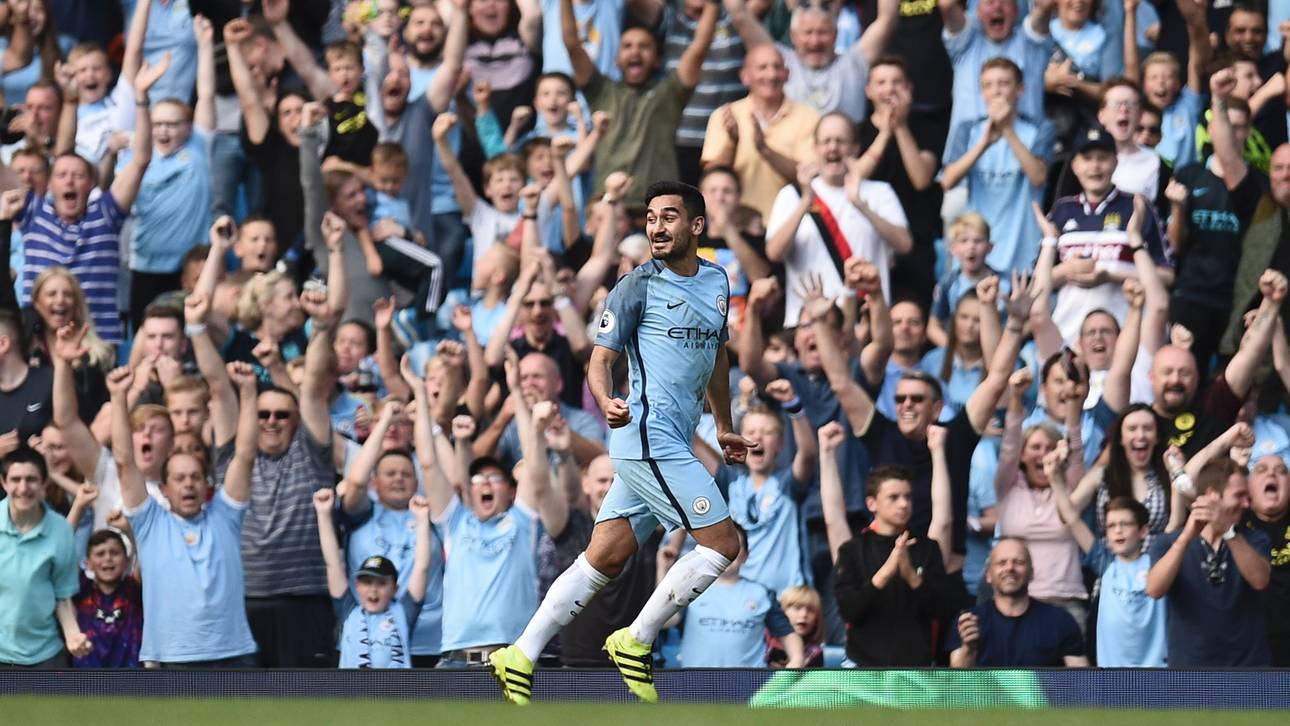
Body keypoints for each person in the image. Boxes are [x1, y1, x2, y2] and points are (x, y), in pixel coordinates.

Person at [488, 181, 755, 703]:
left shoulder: (718, 280)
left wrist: (722, 425)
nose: (656, 226)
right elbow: (599, 360)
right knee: (723, 544)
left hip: (675, 438)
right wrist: (607, 398)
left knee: (603, 558)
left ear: (696, 227)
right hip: (646, 438)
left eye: (669, 217)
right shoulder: (635, 285)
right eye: (651, 217)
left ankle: (520, 653)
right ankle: (637, 639)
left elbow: (717, 357)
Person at [560, 0, 718, 205]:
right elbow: (573, 45)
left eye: (644, 46)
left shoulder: (670, 93)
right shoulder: (600, 91)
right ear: (617, 58)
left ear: (656, 59)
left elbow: (699, 49)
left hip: (656, 212)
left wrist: (714, 4)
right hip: (609, 208)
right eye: (627, 46)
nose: (635, 52)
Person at [1165, 67, 1266, 378]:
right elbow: (1176, 246)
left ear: (1248, 132)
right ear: (1210, 129)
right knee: (1183, 375)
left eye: (1239, 128)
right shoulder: (1189, 176)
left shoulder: (1258, 185)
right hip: (1191, 295)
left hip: (1235, 301)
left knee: (1228, 385)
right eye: (1226, 126)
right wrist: (1178, 208)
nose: (1233, 134)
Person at [766, 112, 911, 325]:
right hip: (807, 322)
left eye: (840, 141)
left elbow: (904, 245)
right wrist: (805, 204)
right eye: (826, 141)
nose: (832, 148)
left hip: (865, 323)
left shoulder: (879, 192)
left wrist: (861, 205)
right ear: (815, 149)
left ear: (854, 148)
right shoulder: (792, 195)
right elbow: (774, 253)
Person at [1147, 458, 1272, 666]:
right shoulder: (1168, 543)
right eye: (1239, 496)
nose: (1246, 504)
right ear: (1212, 495)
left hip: (1249, 669)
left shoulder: (1254, 539)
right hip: (1190, 673)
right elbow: (1154, 589)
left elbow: (1260, 580)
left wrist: (1228, 532)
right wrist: (1185, 538)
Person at [315, 487, 435, 670]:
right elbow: (333, 563)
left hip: (395, 697)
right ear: (357, 585)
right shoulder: (348, 611)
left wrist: (421, 520)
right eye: (367, 582)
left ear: (394, 588)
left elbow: (422, 567)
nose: (373, 589)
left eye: (381, 583)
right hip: (352, 696)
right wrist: (323, 514)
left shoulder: (404, 611)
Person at [700, 43, 819, 219]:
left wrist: (764, 150)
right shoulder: (724, 115)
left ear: (787, 74)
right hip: (736, 224)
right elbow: (711, 178)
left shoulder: (809, 117)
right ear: (745, 76)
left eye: (777, 67)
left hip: (791, 223)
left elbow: (810, 176)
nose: (771, 75)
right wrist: (732, 144)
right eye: (762, 68)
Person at [0, 445, 90, 667]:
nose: (23, 488)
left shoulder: (61, 531)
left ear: (43, 483)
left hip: (46, 656)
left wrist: (73, 636)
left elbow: (63, 597)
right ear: (4, 483)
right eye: (15, 479)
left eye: (31, 479)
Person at [674, 524, 804, 668]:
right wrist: (662, 569)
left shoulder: (762, 594)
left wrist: (793, 667)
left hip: (750, 687)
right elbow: (667, 621)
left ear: (745, 555)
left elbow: (789, 637)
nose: (726, 554)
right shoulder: (690, 588)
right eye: (719, 546)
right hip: (695, 687)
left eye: (734, 547)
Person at [946, 537, 1089, 667]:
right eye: (1002, 563)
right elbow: (956, 686)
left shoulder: (1059, 621)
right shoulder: (969, 621)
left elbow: (1083, 683)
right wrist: (969, 649)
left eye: (1019, 562)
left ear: (1031, 573)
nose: (1009, 568)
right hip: (985, 696)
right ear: (988, 575)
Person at [69, 522, 143, 669]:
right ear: (88, 563)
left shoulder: (133, 591)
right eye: (100, 554)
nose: (108, 558)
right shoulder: (82, 590)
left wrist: (128, 530)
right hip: (86, 681)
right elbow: (60, 544)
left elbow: (144, 554)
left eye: (115, 553)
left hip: (131, 681)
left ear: (127, 560)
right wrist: (79, 506)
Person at [1243, 453, 1290, 666]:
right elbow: (1188, 483)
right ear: (1248, 488)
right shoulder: (1236, 522)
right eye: (1261, 470)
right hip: (1251, 643)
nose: (1272, 473)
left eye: (1282, 471)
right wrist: (1227, 441)